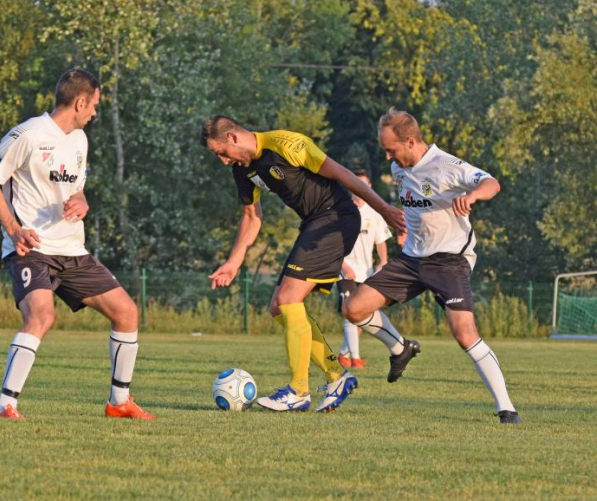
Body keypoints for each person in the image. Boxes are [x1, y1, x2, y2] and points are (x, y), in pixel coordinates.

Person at [0, 67, 154, 421]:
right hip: (32, 249)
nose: (95, 113)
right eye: (93, 106)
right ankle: (6, 405)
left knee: (127, 313)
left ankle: (119, 402)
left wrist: (83, 203)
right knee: (42, 316)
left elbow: (76, 188)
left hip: (73, 250)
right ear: (80, 101)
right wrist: (14, 230)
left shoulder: (79, 141)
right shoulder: (25, 135)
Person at [201, 115, 406, 413]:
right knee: (279, 306)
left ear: (233, 137)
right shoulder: (243, 170)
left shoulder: (286, 144)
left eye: (221, 152)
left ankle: (298, 390)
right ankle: (337, 376)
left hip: (337, 218)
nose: (222, 161)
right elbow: (251, 217)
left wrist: (384, 209)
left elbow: (342, 174)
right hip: (314, 224)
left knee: (287, 299)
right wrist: (234, 262)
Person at [343, 108, 521, 424]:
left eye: (391, 149)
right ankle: (400, 348)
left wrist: (474, 197)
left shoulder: (447, 166)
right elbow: (416, 208)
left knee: (464, 334)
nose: (388, 158)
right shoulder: (400, 169)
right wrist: (402, 227)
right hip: (412, 260)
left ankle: (507, 408)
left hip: (449, 261)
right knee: (354, 309)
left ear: (410, 141)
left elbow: (492, 183)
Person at [337, 169, 418, 375]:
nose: (358, 190)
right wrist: (343, 265)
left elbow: (381, 240)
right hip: (345, 270)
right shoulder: (342, 210)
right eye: (355, 185)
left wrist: (383, 262)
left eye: (363, 184)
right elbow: (335, 243)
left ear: (368, 187)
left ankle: (343, 353)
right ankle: (354, 359)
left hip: (367, 271)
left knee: (361, 314)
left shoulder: (374, 213)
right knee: (350, 312)